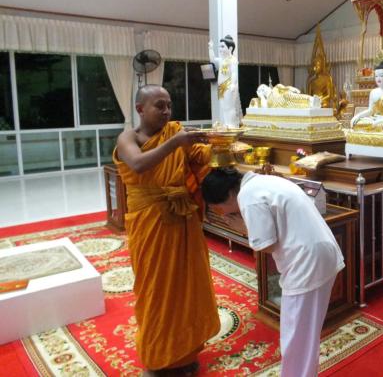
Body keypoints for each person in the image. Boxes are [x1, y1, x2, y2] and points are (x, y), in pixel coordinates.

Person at [113, 84, 220, 375]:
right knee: (155, 290)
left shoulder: (175, 132)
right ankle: (157, 358)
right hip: (149, 221)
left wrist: (219, 145)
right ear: (140, 109)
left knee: (188, 286)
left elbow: (200, 155)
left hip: (182, 218)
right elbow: (137, 164)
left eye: (169, 105)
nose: (166, 111)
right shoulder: (128, 138)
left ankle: (185, 353)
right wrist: (176, 143)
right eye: (159, 105)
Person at [200, 169, 344, 377]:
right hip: (321, 254)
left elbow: (266, 243)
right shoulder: (264, 181)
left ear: (230, 194)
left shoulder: (248, 196)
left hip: (306, 262)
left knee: (296, 337)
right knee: (305, 333)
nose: (224, 214)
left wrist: (243, 228)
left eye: (219, 208)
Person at [208, 35, 242, 128]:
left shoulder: (233, 60)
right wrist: (210, 48)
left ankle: (232, 124)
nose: (220, 49)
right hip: (221, 86)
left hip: (228, 85)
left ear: (230, 48)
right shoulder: (222, 60)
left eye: (222, 46)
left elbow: (234, 73)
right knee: (224, 107)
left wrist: (233, 84)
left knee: (230, 107)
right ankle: (227, 123)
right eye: (220, 46)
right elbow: (212, 60)